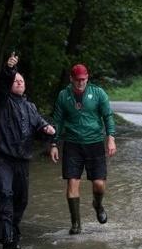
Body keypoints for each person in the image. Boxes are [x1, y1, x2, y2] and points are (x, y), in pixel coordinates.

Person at [0, 52, 55, 249]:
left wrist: (48, 132)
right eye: (15, 80)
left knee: (21, 200)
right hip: (3, 158)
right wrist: (9, 69)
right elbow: (2, 83)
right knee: (5, 194)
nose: (19, 82)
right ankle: (6, 236)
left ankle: (14, 233)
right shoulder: (2, 101)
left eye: (21, 80)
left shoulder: (30, 107)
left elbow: (39, 127)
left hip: (23, 161)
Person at [50, 64, 117, 235]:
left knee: (99, 184)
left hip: (94, 142)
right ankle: (76, 224)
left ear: (87, 78)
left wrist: (111, 138)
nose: (80, 83)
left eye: (83, 79)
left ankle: (98, 204)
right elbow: (57, 120)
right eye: (77, 80)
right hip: (72, 144)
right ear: (71, 79)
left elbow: (108, 115)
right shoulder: (64, 96)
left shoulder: (98, 93)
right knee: (72, 182)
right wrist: (54, 144)